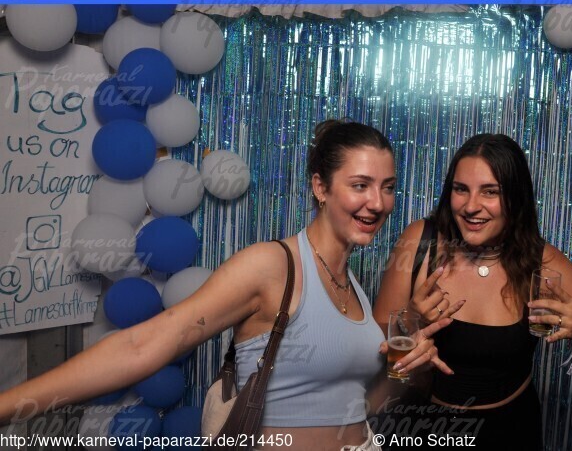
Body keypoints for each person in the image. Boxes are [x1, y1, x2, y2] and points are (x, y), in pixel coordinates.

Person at [0, 120, 454, 451]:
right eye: (360, 185)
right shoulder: (270, 267)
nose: (377, 202)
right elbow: (141, 345)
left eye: (388, 187)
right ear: (321, 187)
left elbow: (362, 406)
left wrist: (406, 369)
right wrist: (8, 405)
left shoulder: (352, 286)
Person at [373, 133, 572, 450]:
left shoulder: (541, 262)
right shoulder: (420, 242)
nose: (471, 206)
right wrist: (411, 321)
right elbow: (375, 352)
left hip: (510, 433)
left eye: (490, 192)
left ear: (515, 198)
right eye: (461, 189)